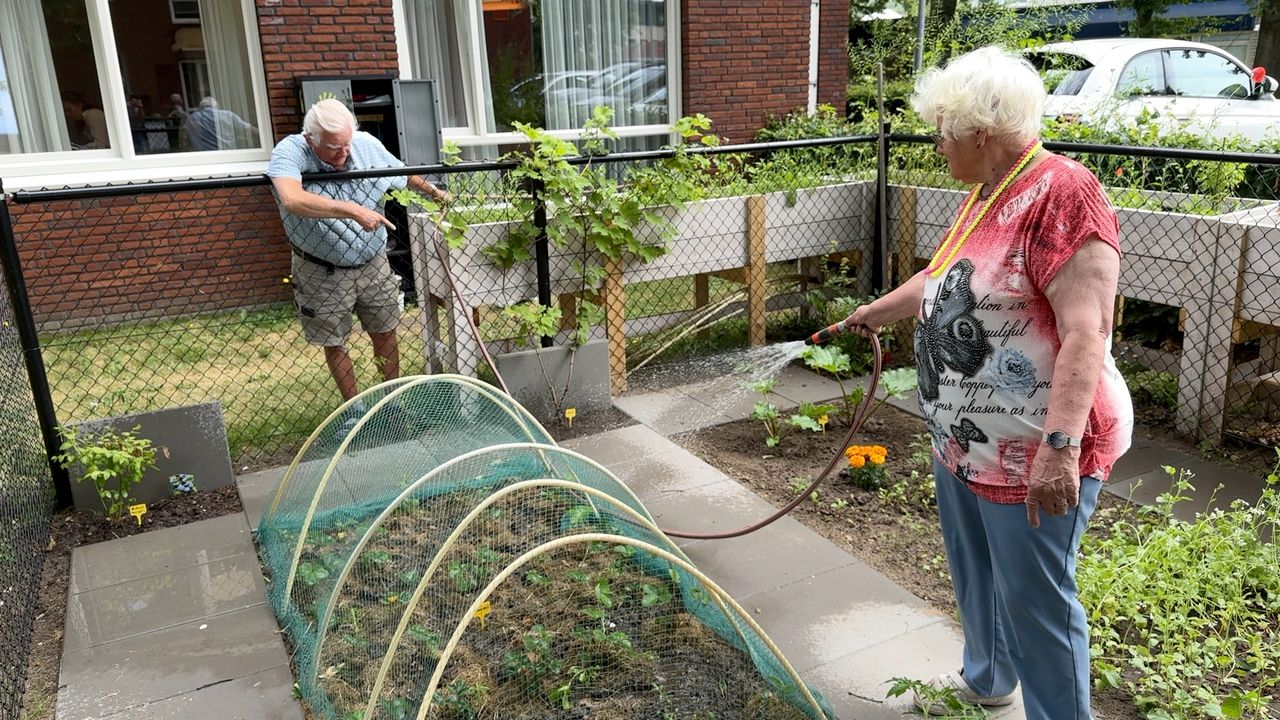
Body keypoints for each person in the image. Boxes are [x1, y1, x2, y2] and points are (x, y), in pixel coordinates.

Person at [841, 46, 1133, 718]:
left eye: (941, 130)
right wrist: (874, 312)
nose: (935, 144)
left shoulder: (1064, 194)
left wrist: (1059, 448)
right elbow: (944, 278)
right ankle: (987, 681)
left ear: (980, 131)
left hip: (1037, 451)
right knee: (977, 580)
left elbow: (1087, 332)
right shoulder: (985, 193)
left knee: (1037, 605)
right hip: (965, 441)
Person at [266, 98, 448, 406]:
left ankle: (393, 402)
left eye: (347, 144)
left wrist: (437, 194)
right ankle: (355, 410)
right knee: (335, 342)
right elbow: (292, 199)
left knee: (386, 330)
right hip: (321, 268)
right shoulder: (290, 151)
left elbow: (402, 173)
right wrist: (352, 210)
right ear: (311, 140)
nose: (344, 152)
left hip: (373, 262)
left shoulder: (363, 143)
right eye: (334, 148)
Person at [182, 96, 257, 151]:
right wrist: (263, 135)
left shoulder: (191, 119)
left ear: (200, 107)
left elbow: (184, 137)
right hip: (227, 154)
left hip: (203, 157)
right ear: (216, 105)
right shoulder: (227, 115)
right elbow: (247, 128)